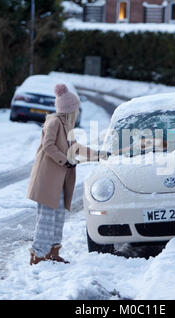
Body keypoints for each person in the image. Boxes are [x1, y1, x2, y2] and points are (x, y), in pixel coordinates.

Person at [26, 83, 106, 265]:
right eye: (75, 108)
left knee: (58, 216)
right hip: (47, 179)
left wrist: (98, 154)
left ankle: (53, 252)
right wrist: (66, 160)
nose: (77, 111)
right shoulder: (54, 122)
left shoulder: (66, 125)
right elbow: (48, 146)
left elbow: (75, 147)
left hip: (59, 179)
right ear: (69, 109)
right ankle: (38, 255)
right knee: (46, 218)